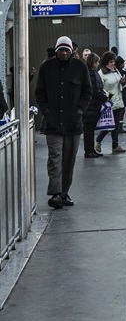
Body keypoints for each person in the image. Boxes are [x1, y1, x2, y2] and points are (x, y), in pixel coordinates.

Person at [34, 36, 90, 208]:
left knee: (69, 160)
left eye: (66, 50)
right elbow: (39, 92)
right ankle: (56, 194)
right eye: (61, 50)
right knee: (55, 158)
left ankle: (64, 193)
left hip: (73, 123)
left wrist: (80, 110)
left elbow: (87, 91)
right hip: (53, 123)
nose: (64, 53)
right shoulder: (46, 68)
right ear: (56, 50)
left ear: (71, 51)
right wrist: (47, 111)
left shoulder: (80, 67)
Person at [96, 52, 126, 154]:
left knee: (115, 124)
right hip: (108, 102)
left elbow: (120, 85)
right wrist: (106, 96)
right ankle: (98, 140)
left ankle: (115, 145)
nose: (113, 64)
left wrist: (123, 82)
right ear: (105, 63)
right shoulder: (101, 73)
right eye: (110, 62)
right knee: (109, 124)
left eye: (113, 61)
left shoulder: (116, 71)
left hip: (118, 101)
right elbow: (99, 87)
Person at [81, 53, 107, 158]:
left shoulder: (93, 72)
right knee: (89, 130)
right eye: (96, 62)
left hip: (93, 106)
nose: (98, 64)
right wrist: (104, 97)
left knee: (90, 130)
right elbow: (93, 90)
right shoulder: (90, 73)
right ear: (93, 62)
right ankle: (88, 151)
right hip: (90, 106)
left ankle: (91, 150)